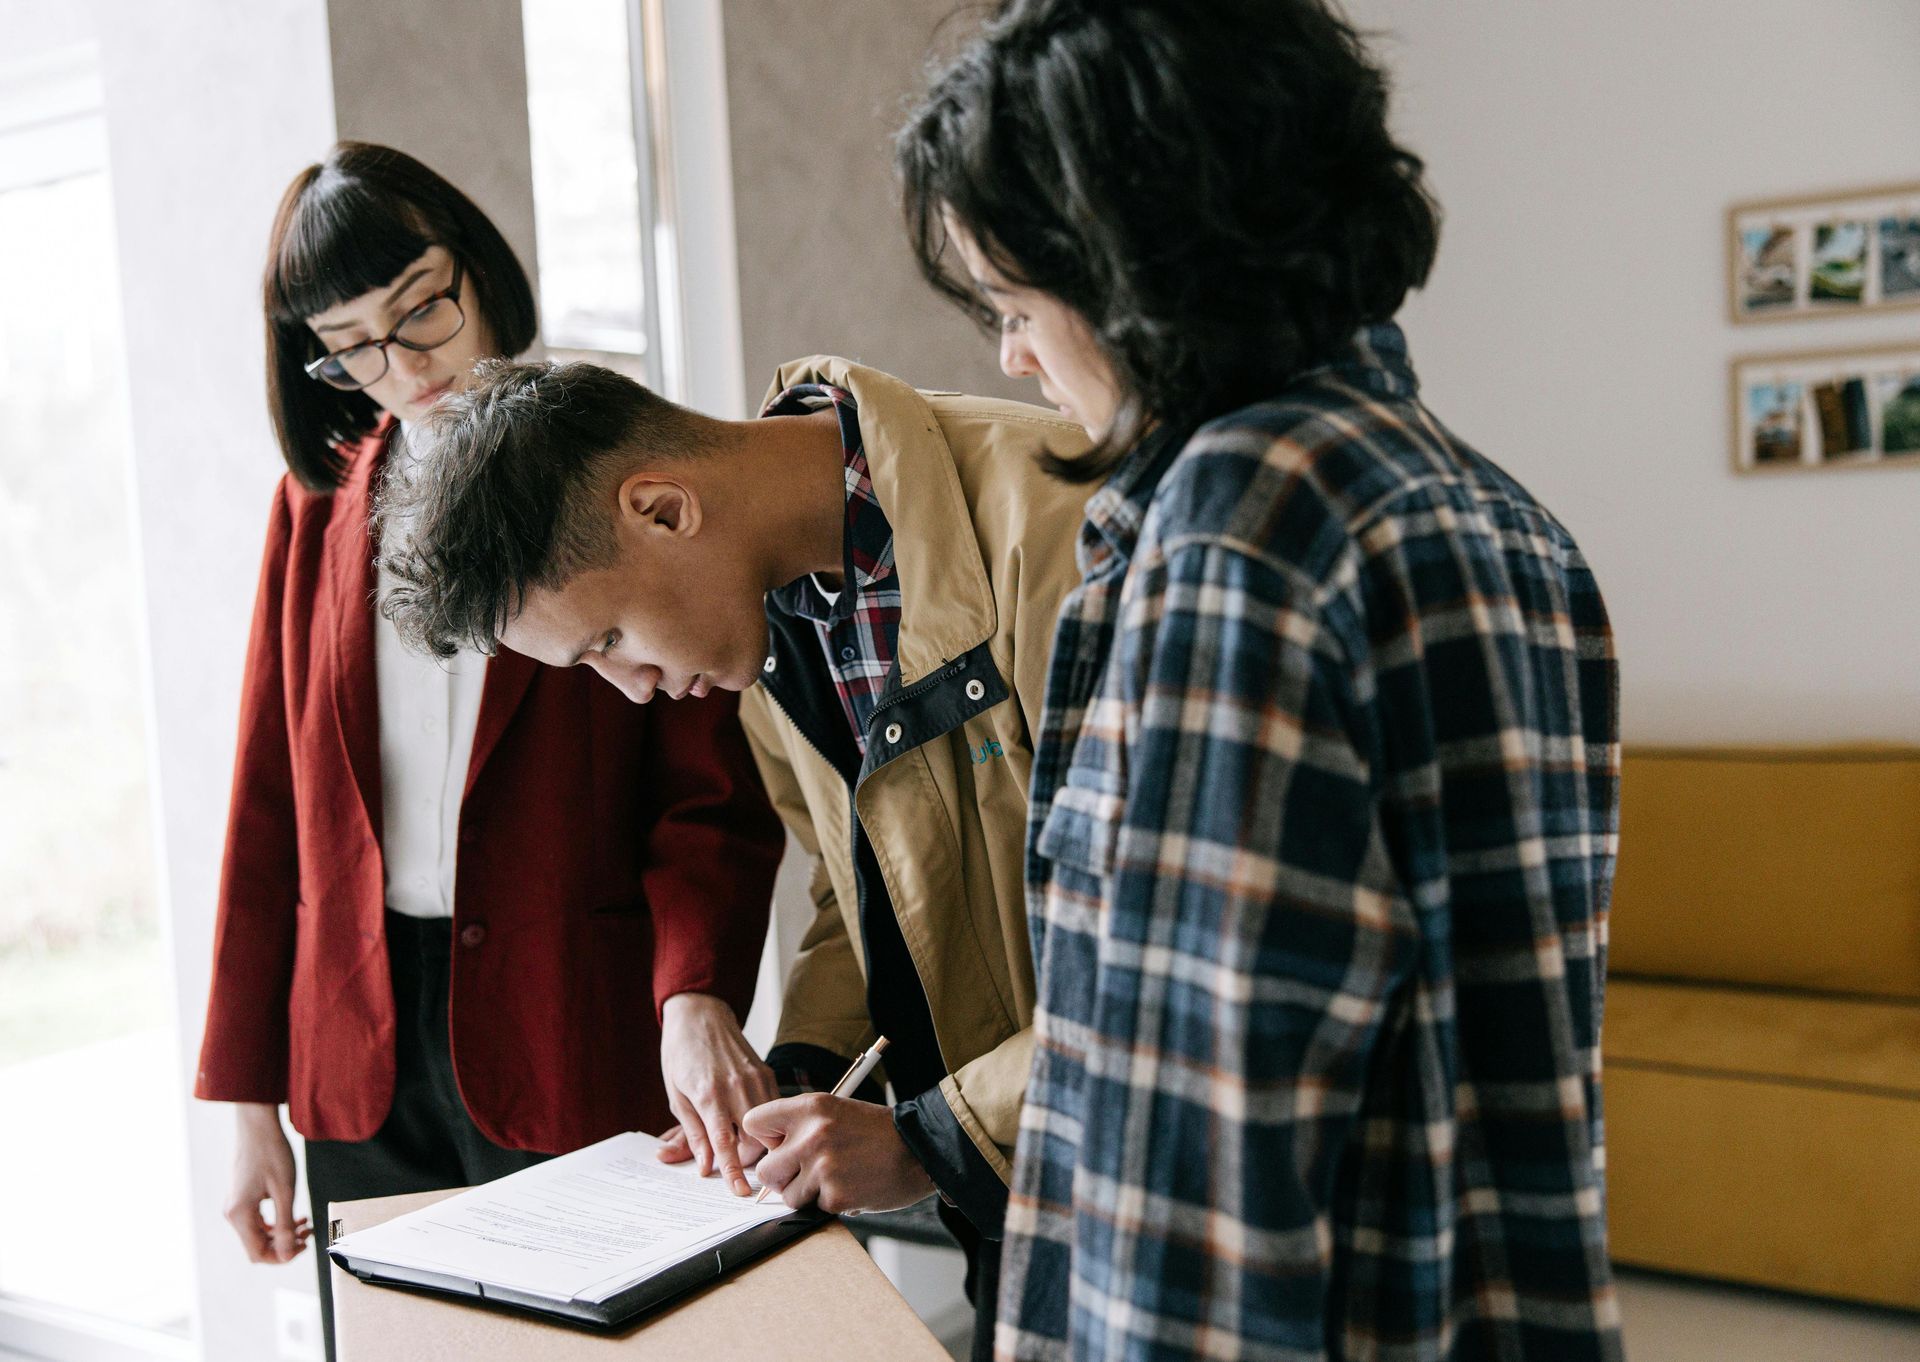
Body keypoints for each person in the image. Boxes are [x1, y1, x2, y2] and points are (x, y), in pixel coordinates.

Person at [896, 3, 1625, 1358]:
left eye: (1013, 304)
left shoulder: (1242, 529)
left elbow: (1195, 1164)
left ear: (1131, 263)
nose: (1009, 355)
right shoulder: (1498, 514)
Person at [375, 354, 1093, 1360]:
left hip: (1169, 1197)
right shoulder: (771, 625)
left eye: (607, 641)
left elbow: (1169, 954)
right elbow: (868, 890)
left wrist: (935, 1140)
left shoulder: (1064, 527)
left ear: (663, 509)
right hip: (1020, 1212)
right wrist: (804, 1077)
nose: (628, 688)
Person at [193, 142, 783, 1361]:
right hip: (356, 1043)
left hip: (567, 1020)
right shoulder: (315, 509)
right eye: (352, 345)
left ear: (477, 268)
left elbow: (707, 793)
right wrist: (247, 1098)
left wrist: (696, 987)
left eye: (421, 309)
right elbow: (267, 805)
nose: (402, 368)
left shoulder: (608, 460)